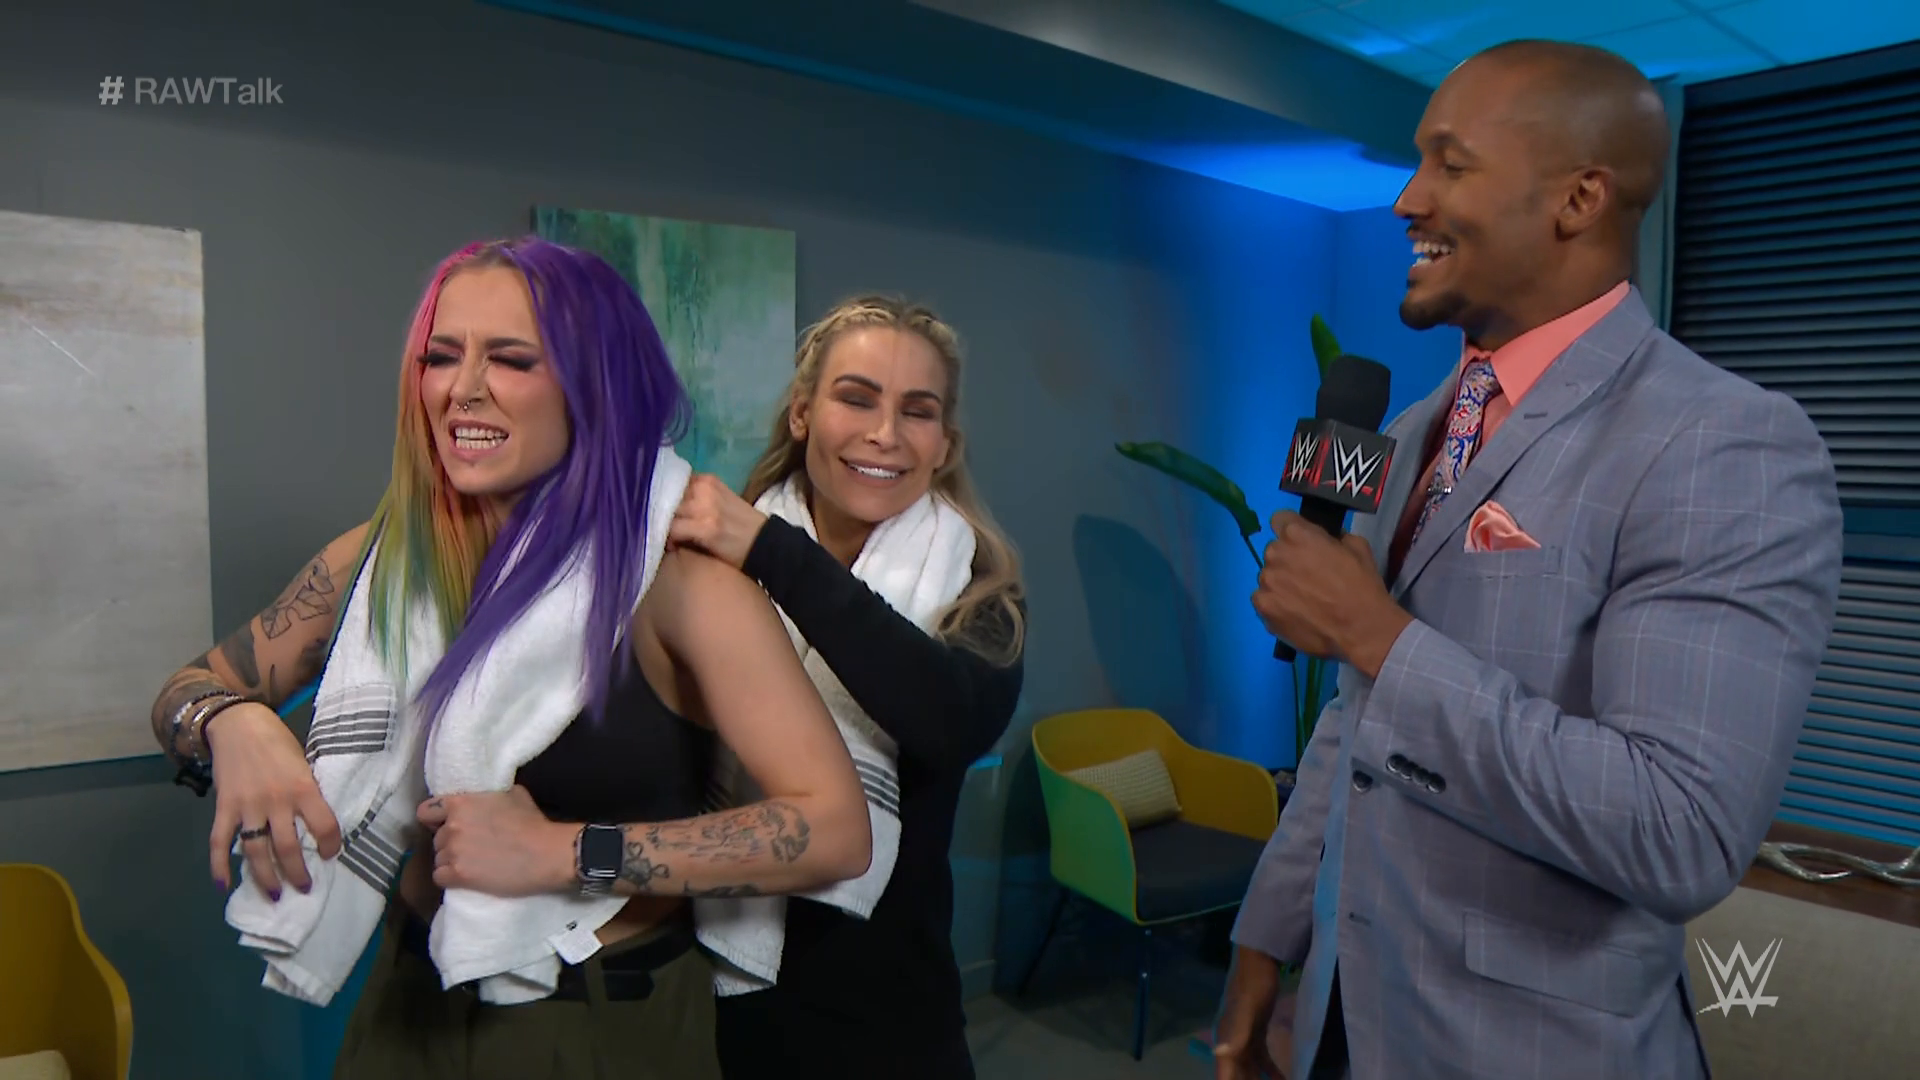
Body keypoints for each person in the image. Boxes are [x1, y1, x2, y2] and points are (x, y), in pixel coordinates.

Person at [1213, 40, 1843, 1080]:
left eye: (1451, 164)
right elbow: (1352, 723)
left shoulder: (1723, 442)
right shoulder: (1411, 430)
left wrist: (1378, 636)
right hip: (1344, 1023)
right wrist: (1263, 943)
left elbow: (1680, 830)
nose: (1407, 199)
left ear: (1578, 199)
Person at [146, 236, 873, 1080]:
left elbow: (835, 831)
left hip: (596, 1023)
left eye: (512, 359)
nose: (463, 388)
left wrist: (564, 852)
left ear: (595, 387)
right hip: (409, 1003)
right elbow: (187, 689)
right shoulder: (382, 560)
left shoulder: (682, 587)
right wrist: (233, 723)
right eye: (441, 356)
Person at [664, 294, 1026, 1078]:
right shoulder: (709, 570)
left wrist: (774, 551)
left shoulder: (981, 595)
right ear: (801, 414)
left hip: (891, 1018)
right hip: (716, 996)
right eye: (856, 398)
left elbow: (949, 720)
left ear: (945, 444)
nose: (885, 433)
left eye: (917, 411)